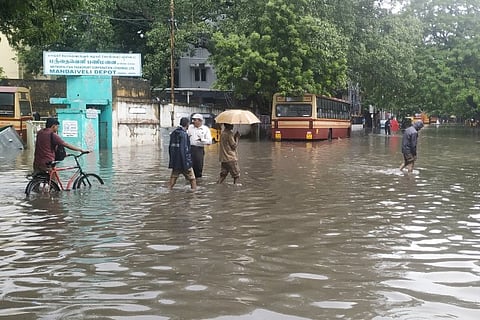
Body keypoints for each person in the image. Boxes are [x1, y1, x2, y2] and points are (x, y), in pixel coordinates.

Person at [168, 117, 197, 190]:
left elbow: (171, 148)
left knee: (173, 178)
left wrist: (173, 161)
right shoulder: (184, 134)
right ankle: (194, 195)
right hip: (184, 162)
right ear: (187, 124)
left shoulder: (174, 133)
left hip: (175, 162)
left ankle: (168, 191)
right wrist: (186, 163)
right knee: (192, 179)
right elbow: (184, 149)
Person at [187, 113, 212, 178]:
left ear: (200, 121)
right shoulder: (190, 127)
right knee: (189, 167)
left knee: (198, 167)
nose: (194, 121)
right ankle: (190, 180)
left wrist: (202, 140)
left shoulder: (205, 129)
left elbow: (210, 141)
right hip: (190, 149)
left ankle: (198, 180)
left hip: (199, 149)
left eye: (195, 120)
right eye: (193, 120)